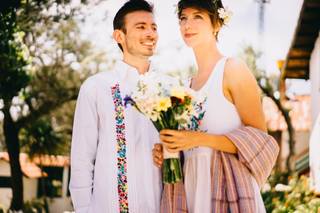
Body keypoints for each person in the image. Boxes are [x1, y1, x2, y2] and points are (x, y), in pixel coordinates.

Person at [153, 0, 278, 212]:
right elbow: (188, 148)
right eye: (183, 18)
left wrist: (197, 139)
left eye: (197, 17)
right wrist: (168, 151)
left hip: (228, 187)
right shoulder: (184, 88)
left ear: (217, 24)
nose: (187, 25)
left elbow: (260, 141)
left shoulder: (232, 69)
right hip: (191, 190)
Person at [69, 0, 161, 212]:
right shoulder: (96, 87)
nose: (151, 33)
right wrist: (84, 209)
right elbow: (82, 159)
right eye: (141, 27)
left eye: (154, 27)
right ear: (119, 36)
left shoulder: (171, 89)